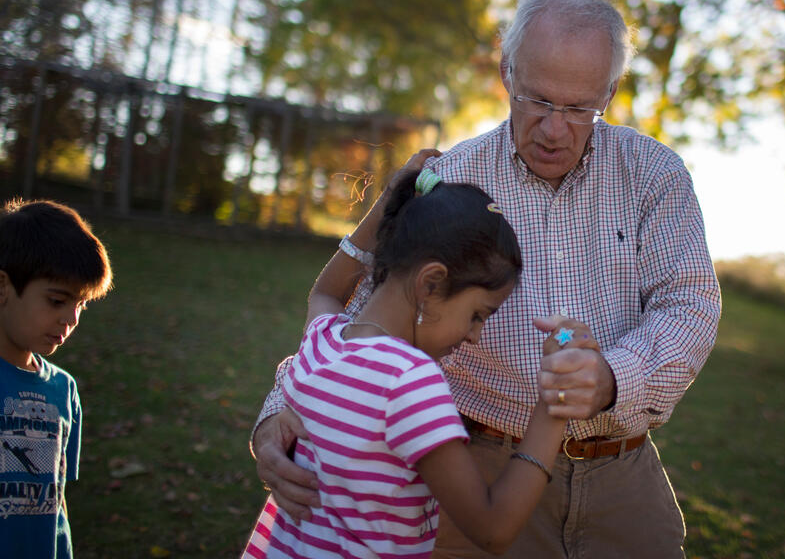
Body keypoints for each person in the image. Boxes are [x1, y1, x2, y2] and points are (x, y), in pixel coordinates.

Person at [254, 0, 722, 557]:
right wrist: (277, 414)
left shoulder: (654, 173)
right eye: (538, 100)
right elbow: (359, 324)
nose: (554, 129)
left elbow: (690, 305)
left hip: (624, 476)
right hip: (476, 468)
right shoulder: (452, 179)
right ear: (506, 74)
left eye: (578, 109)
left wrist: (608, 380)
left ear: (611, 92)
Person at [243, 169, 597, 558]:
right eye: (478, 314)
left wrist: (389, 200)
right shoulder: (408, 380)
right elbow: (494, 528)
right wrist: (556, 399)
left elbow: (326, 292)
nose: (474, 335)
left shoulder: (324, 339)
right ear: (430, 283)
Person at [0, 198, 113, 558]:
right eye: (57, 301)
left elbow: (54, 503)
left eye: (81, 305)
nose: (71, 318)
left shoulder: (63, 390)